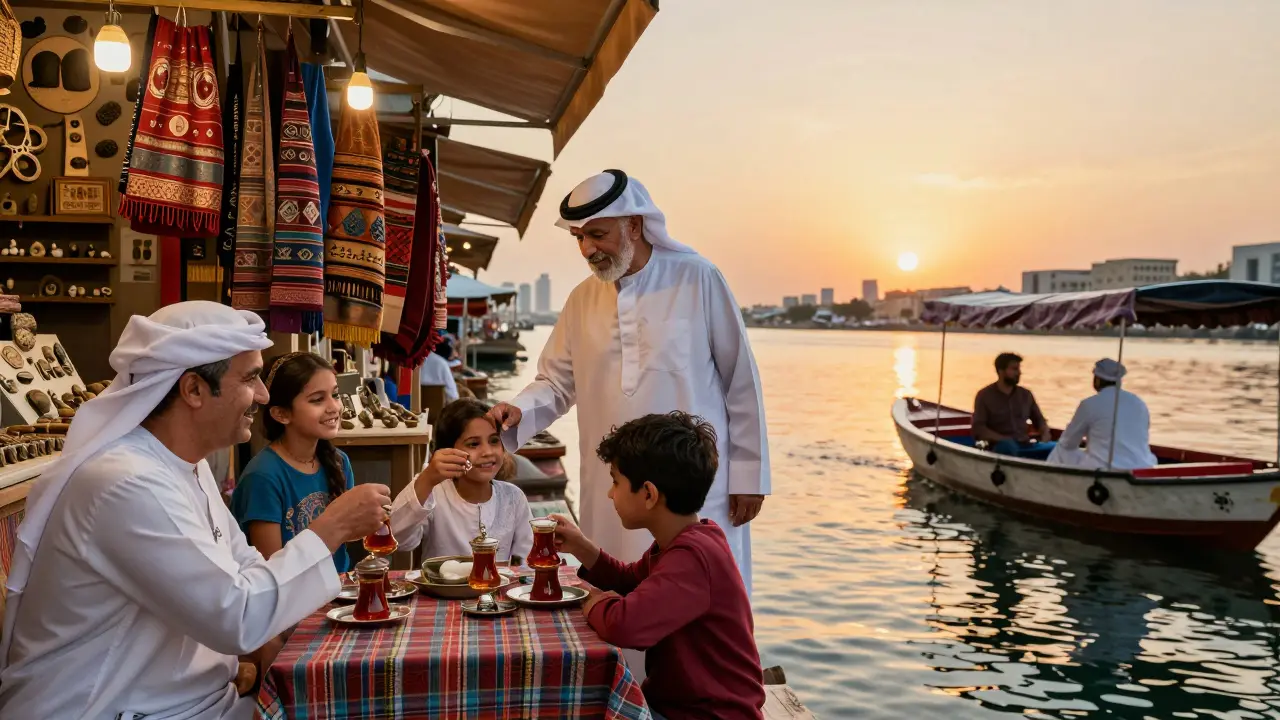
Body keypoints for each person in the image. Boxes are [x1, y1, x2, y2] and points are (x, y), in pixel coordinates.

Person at [0, 302, 392, 719]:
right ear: (193, 390)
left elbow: (244, 569)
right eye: (251, 378)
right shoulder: (126, 482)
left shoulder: (186, 466)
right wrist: (331, 527)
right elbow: (237, 615)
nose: (261, 395)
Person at [488, 170, 770, 590]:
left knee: (699, 596)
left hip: (697, 488)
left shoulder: (698, 277)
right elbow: (557, 382)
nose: (587, 249)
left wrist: (749, 476)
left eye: (597, 234)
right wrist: (520, 409)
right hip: (614, 486)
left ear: (634, 225)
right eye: (579, 238)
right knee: (617, 591)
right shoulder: (583, 299)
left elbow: (740, 382)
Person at [551, 412, 764, 720]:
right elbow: (629, 580)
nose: (611, 493)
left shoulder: (693, 557)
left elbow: (625, 625)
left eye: (616, 481)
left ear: (648, 494)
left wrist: (593, 600)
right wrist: (581, 546)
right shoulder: (684, 542)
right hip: (675, 706)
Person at [231, 352, 359, 572]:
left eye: (335, 395)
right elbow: (272, 569)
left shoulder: (339, 462)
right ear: (281, 414)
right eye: (317, 399)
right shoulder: (262, 477)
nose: (334, 407)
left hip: (337, 592)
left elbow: (353, 536)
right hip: (289, 598)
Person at [393, 398, 533, 563]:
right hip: (441, 588)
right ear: (447, 451)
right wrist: (427, 478)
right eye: (473, 444)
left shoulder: (514, 498)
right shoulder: (435, 494)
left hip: (499, 588)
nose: (487, 452)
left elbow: (526, 560)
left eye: (494, 441)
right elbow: (398, 538)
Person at [1047, 358, 1157, 470]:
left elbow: (1068, 442)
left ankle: (1049, 481)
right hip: (1142, 466)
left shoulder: (1090, 404)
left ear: (1097, 379)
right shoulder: (1139, 402)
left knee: (1061, 448)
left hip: (1103, 468)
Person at [972, 352, 1055, 459]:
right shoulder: (984, 395)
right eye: (1014, 369)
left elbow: (1039, 420)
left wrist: (1045, 435)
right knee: (1008, 447)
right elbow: (979, 429)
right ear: (1001, 371)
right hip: (998, 446)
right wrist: (1003, 439)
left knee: (1057, 448)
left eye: (1019, 369)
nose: (1019, 373)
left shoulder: (1026, 395)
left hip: (1026, 444)